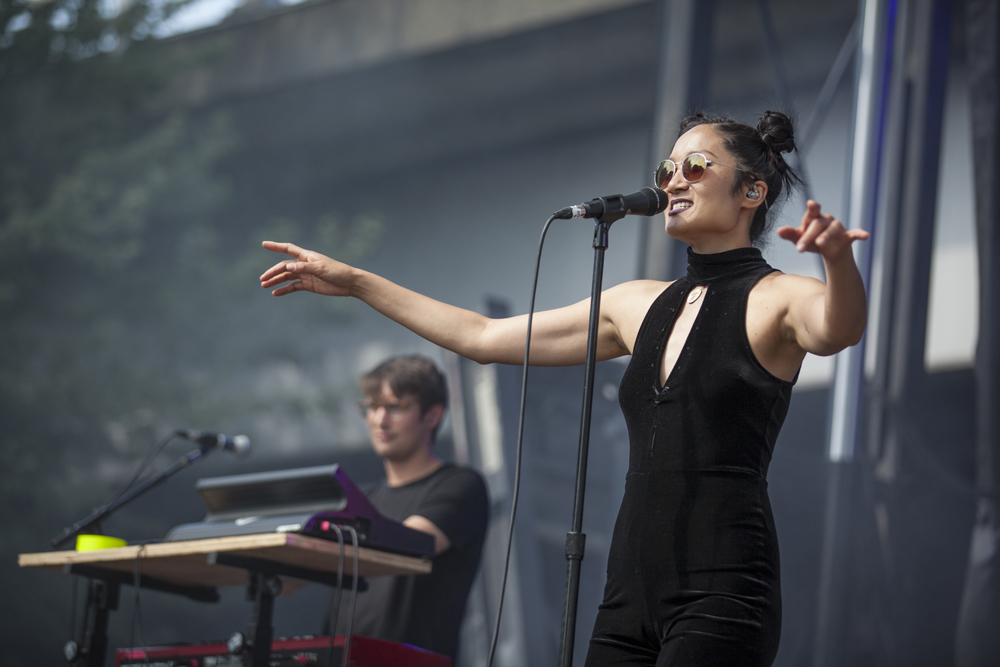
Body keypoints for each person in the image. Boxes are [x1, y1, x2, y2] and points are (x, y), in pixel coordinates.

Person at [260, 111, 868, 666]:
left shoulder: (778, 296)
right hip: (628, 591)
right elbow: (481, 336)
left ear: (751, 192)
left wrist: (838, 261)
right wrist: (358, 282)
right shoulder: (635, 303)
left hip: (724, 585)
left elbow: (837, 329)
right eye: (666, 170)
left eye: (696, 166)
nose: (673, 181)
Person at [342, 355, 489, 661]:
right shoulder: (363, 499)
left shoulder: (461, 484)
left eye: (395, 407)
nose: (379, 420)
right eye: (372, 406)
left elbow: (410, 543)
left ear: (432, 416)